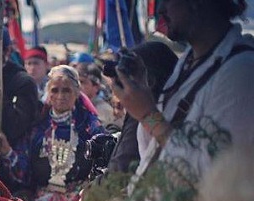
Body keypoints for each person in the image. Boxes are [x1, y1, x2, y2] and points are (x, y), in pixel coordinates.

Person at [112, 0, 254, 181]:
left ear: (198, 4)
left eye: (167, 1)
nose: (160, 10)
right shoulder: (188, 63)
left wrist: (148, 114)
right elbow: (156, 151)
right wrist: (144, 90)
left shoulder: (241, 71)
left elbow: (211, 173)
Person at [0, 65, 106, 201]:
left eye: (66, 90)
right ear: (48, 93)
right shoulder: (37, 128)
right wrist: (8, 151)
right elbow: (25, 172)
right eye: (55, 90)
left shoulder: (89, 126)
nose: (60, 95)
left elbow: (104, 162)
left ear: (77, 93)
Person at [106, 41, 178, 174]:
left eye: (131, 72)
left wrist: (146, 115)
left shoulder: (148, 114)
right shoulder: (150, 110)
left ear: (150, 80)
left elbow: (122, 168)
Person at [76, 63, 120, 132]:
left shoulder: (104, 110)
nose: (78, 86)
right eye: (76, 82)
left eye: (82, 82)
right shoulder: (73, 107)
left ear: (96, 87)